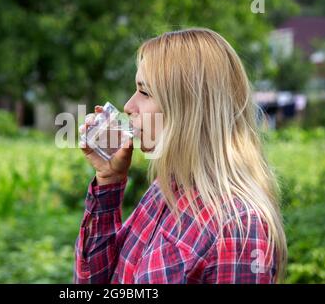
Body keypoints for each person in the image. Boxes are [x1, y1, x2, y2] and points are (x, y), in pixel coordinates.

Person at [75, 28, 287, 284]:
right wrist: (109, 179)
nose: (129, 107)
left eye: (145, 92)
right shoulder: (164, 191)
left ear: (188, 107)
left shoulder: (237, 226)